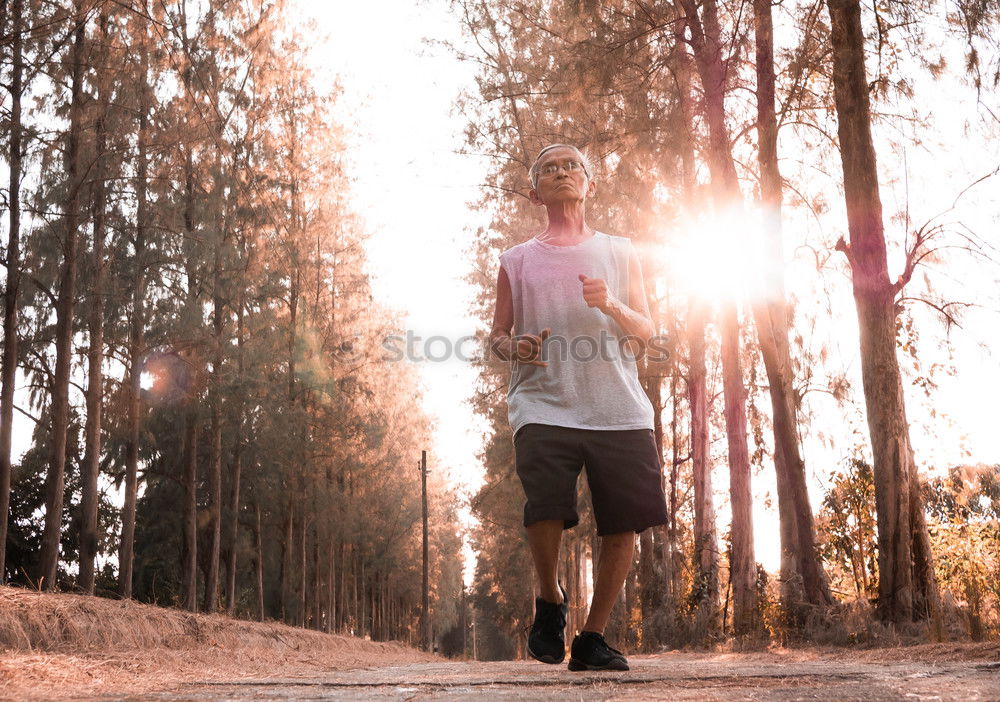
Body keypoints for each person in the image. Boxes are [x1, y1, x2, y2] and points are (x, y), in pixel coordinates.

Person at [489, 143, 668, 671]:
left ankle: (592, 639)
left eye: (571, 166)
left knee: (623, 522)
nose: (561, 172)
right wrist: (514, 347)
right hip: (542, 400)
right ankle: (550, 601)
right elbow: (496, 335)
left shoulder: (620, 250)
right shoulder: (516, 261)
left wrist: (609, 302)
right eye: (549, 168)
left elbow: (646, 329)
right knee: (545, 502)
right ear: (534, 191)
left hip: (618, 406)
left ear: (590, 184)